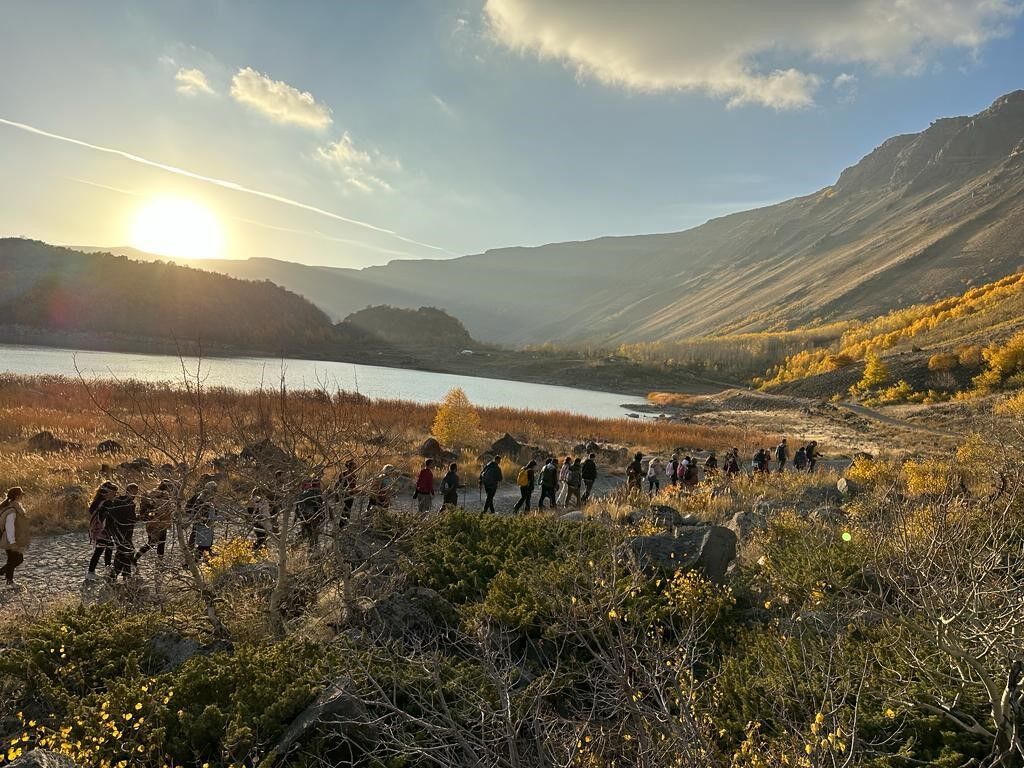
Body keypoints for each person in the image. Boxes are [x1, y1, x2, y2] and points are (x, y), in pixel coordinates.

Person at [135, 479, 174, 565]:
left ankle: (157, 561)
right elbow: (166, 510)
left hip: (152, 522)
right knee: (157, 543)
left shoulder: (151, 493)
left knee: (155, 542)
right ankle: (136, 558)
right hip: (160, 522)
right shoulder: (165, 496)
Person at [106, 484, 139, 582]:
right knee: (126, 551)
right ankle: (123, 573)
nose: (134, 495)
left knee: (123, 552)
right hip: (119, 531)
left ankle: (117, 574)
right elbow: (112, 516)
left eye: (136, 493)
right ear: (128, 491)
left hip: (126, 532)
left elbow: (131, 519)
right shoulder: (119, 502)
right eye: (133, 493)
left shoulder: (129, 503)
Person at [87, 482, 117, 579]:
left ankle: (102, 570)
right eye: (114, 493)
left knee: (106, 548)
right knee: (100, 550)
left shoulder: (97, 502)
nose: (115, 495)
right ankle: (92, 572)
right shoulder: (106, 503)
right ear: (107, 493)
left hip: (97, 530)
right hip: (103, 531)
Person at [0, 487, 30, 589]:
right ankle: (6, 578)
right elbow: (10, 527)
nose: (22, 497)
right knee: (18, 559)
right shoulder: (12, 510)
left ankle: (10, 582)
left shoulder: (12, 506)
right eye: (21, 495)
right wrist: (12, 542)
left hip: (12, 538)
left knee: (12, 560)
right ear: (17, 496)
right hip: (10, 539)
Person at [190, 481, 219, 561]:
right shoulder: (203, 497)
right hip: (203, 523)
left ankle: (206, 560)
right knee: (204, 544)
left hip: (207, 523)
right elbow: (199, 510)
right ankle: (195, 561)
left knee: (207, 544)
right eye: (214, 489)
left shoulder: (208, 497)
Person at [296, 478, 326, 547]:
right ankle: (313, 547)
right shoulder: (317, 492)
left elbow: (299, 505)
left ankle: (296, 545)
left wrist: (297, 515)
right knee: (313, 532)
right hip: (313, 516)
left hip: (304, 515)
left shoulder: (305, 492)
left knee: (305, 531)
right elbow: (321, 505)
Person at [247, 487, 273, 553]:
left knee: (262, 539)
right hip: (261, 522)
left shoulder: (258, 501)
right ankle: (255, 551)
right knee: (261, 539)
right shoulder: (258, 500)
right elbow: (253, 512)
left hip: (261, 522)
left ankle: (259, 552)